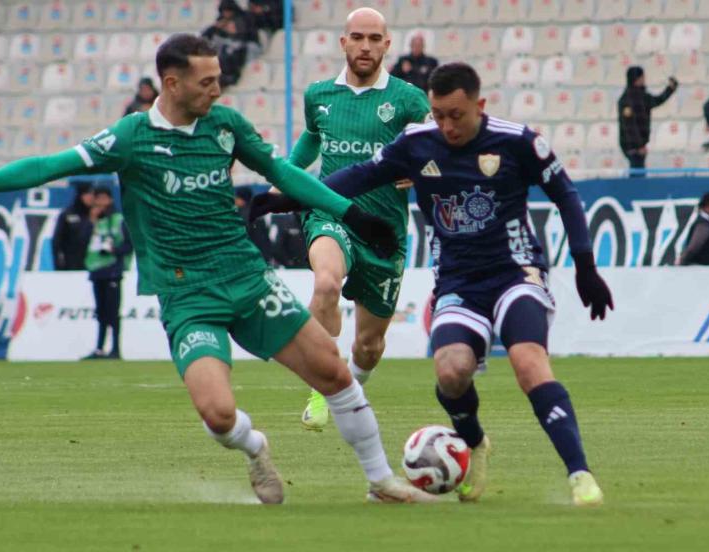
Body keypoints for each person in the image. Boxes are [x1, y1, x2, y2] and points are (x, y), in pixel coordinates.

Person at [0, 34, 434, 505]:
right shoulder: (131, 137)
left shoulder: (226, 125)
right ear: (172, 83)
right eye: (207, 81)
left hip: (247, 277)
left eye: (218, 79)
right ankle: (255, 446)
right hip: (187, 293)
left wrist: (352, 215)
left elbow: (282, 172)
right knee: (218, 415)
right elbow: (47, 166)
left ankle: (380, 480)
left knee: (334, 372)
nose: (217, 89)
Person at [251, 62, 613, 506]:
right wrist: (287, 199)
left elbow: (566, 195)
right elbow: (355, 176)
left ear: (479, 105)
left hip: (515, 273)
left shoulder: (517, 142)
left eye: (456, 115)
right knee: (451, 372)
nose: (447, 125)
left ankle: (580, 475)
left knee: (528, 363)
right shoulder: (416, 144)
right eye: (438, 115)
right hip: (457, 281)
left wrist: (585, 265)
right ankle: (475, 443)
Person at [285, 7, 431, 430]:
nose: (365, 46)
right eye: (357, 37)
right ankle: (323, 388)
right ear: (343, 42)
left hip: (384, 230)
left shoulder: (408, 99)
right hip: (331, 212)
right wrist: (286, 177)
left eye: (374, 39)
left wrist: (420, 171)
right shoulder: (318, 95)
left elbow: (437, 148)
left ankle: (349, 387)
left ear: (387, 45)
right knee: (326, 283)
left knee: (369, 345)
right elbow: (312, 138)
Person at [83, 187, 132, 360]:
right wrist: (91, 221)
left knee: (113, 312)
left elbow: (129, 245)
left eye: (104, 198)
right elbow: (81, 242)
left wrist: (113, 250)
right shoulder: (94, 221)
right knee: (101, 312)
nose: (100, 203)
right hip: (96, 270)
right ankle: (99, 348)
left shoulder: (119, 220)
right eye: (98, 198)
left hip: (112, 270)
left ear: (110, 199)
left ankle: (116, 349)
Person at [617, 66, 678, 177]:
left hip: (639, 143)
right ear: (637, 79)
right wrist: (638, 146)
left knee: (639, 172)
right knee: (637, 175)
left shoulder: (642, 96)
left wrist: (670, 89)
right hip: (632, 145)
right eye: (642, 77)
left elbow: (657, 100)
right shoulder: (626, 99)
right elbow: (629, 126)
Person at [201, 0, 258, 88]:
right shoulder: (222, 19)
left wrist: (234, 30)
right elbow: (206, 35)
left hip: (244, 45)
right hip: (227, 45)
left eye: (228, 11)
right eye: (224, 12)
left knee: (232, 52)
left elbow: (246, 35)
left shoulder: (244, 17)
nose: (226, 14)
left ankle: (230, 76)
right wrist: (215, 27)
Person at [52, 181, 94, 271]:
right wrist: (58, 264)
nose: (90, 197)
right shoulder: (68, 214)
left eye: (92, 194)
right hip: (72, 262)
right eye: (87, 194)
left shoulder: (97, 213)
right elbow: (57, 241)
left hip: (94, 262)